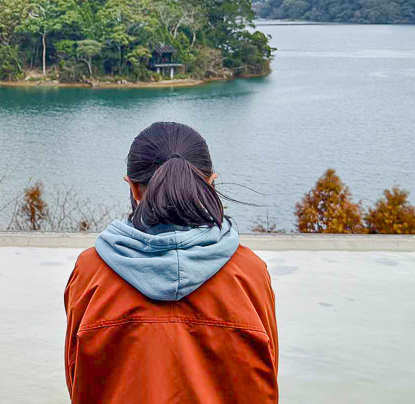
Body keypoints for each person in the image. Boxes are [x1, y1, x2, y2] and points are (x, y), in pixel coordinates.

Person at [65, 122, 278, 404]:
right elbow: (267, 376)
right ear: (210, 183)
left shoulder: (90, 272)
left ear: (134, 189)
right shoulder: (249, 271)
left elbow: (77, 378)